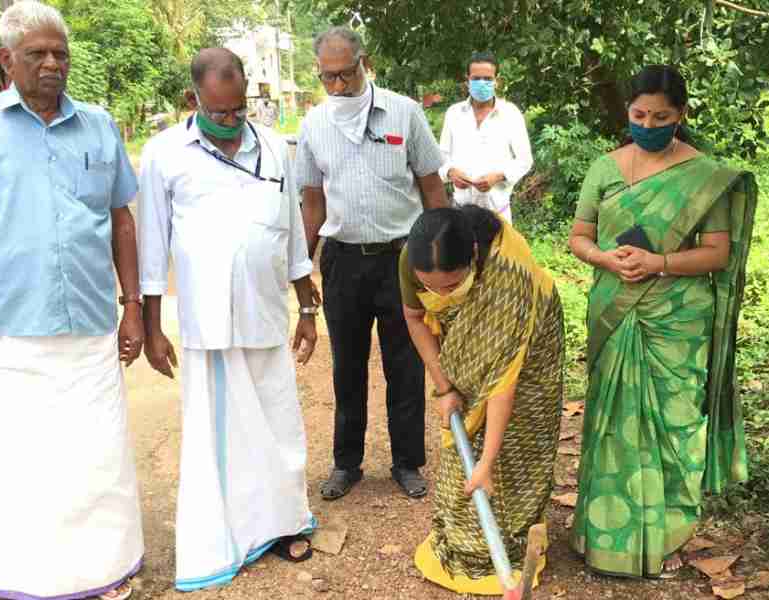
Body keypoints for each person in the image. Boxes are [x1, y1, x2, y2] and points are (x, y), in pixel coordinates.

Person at [0, 2, 143, 598]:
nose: (52, 64)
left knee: (97, 456)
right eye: (36, 55)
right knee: (19, 463)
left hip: (90, 324)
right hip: (9, 330)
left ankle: (104, 571)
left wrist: (134, 306)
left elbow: (121, 220)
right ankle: (31, 581)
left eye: (60, 54)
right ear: (7, 60)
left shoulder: (99, 125)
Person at [136, 48, 318, 591]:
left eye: (240, 109)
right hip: (208, 323)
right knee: (217, 435)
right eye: (220, 112)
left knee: (279, 421)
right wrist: (150, 327)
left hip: (265, 311)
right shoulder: (165, 153)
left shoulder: (272, 148)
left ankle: (284, 522)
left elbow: (291, 236)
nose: (233, 120)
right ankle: (223, 536)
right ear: (194, 100)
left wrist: (307, 306)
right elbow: (152, 249)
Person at [567, 65, 757, 578]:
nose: (647, 123)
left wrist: (659, 263)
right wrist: (608, 260)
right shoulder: (605, 168)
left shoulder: (705, 176)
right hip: (616, 305)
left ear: (681, 116)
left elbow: (716, 254)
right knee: (610, 423)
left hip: (677, 316)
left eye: (661, 116)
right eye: (638, 114)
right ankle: (604, 536)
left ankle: (670, 534)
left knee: (676, 426)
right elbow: (579, 237)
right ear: (627, 112)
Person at [296, 26, 450, 500]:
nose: (339, 86)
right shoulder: (314, 125)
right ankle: (347, 463)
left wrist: (441, 259)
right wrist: (302, 268)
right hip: (343, 260)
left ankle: (407, 463)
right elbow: (312, 203)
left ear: (365, 63)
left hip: (402, 259)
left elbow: (431, 189)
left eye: (347, 74)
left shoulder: (404, 113)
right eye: (329, 78)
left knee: (405, 362)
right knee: (348, 364)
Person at [401, 206, 564, 595]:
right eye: (432, 287)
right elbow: (413, 316)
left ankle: (519, 538)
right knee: (465, 446)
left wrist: (486, 465)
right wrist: (445, 387)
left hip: (531, 341)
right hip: (466, 352)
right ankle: (469, 544)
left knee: (519, 437)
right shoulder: (412, 257)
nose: (441, 295)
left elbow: (502, 385)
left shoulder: (508, 280)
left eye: (451, 285)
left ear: (473, 255)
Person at [438, 51, 533, 222]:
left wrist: (498, 176)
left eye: (487, 79)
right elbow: (441, 156)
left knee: (499, 250)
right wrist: (451, 172)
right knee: (460, 249)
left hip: (497, 213)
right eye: (476, 78)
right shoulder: (454, 113)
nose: (481, 83)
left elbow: (525, 160)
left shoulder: (510, 113)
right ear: (467, 81)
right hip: (461, 212)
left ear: (497, 81)